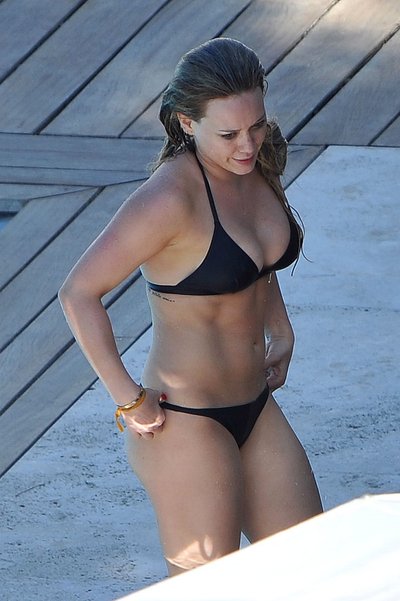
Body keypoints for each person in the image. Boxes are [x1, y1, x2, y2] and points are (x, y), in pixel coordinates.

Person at [59, 37, 323, 576]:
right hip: (185, 420)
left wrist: (281, 329)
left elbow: (256, 262)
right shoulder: (169, 199)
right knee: (207, 588)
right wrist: (129, 400)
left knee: (316, 570)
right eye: (228, 134)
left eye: (256, 125)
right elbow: (78, 293)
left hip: (256, 405)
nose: (247, 145)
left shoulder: (256, 163)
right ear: (186, 123)